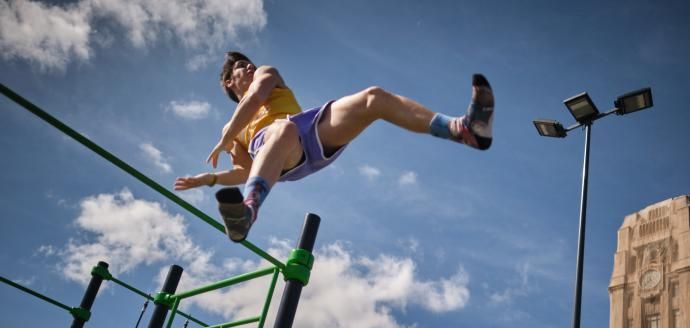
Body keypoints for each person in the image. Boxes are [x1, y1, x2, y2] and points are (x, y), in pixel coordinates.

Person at [174, 51, 494, 242]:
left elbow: (256, 97)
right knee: (281, 131)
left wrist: (226, 135)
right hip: (284, 153)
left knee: (373, 97)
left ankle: (463, 130)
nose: (248, 68)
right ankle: (247, 213)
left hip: (311, 130)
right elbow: (244, 171)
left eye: (248, 63)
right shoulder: (233, 132)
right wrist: (209, 179)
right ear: (230, 82)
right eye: (240, 68)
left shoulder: (266, 76)